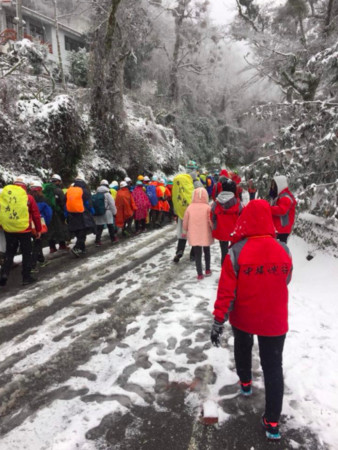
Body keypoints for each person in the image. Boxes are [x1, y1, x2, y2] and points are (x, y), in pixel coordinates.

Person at [210, 200, 293, 441]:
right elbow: (286, 279)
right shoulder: (283, 250)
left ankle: (245, 382)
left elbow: (226, 291)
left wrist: (218, 320)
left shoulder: (235, 252)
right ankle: (273, 421)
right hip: (274, 320)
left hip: (244, 317)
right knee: (273, 366)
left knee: (243, 346)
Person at [0, 177, 42, 286]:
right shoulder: (28, 198)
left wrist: (2, 225)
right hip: (24, 230)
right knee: (26, 252)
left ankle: (4, 274)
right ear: (24, 187)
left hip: (9, 229)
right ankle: (26, 277)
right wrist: (38, 229)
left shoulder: (4, 197)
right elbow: (36, 215)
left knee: (10, 252)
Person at [182, 187, 213, 280]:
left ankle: (199, 273)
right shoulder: (208, 207)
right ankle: (207, 269)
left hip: (194, 234)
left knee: (197, 253)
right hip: (206, 233)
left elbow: (185, 221)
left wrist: (184, 231)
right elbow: (210, 221)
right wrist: (213, 229)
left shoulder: (190, 207)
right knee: (207, 251)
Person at [210, 178, 242, 266]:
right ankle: (233, 267)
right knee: (234, 250)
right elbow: (242, 216)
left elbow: (212, 215)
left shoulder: (216, 202)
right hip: (234, 231)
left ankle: (224, 268)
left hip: (221, 230)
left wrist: (215, 225)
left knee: (223, 251)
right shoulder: (237, 202)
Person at [66, 174, 96, 257]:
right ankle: (76, 248)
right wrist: (92, 211)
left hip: (72, 215)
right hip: (83, 215)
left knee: (78, 232)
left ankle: (82, 249)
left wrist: (66, 214)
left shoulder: (69, 191)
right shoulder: (85, 191)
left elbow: (66, 203)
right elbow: (88, 204)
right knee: (82, 233)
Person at [43, 174, 69, 253]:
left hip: (47, 212)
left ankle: (52, 247)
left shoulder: (44, 189)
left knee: (50, 230)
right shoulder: (57, 190)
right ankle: (62, 245)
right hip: (57, 212)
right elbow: (63, 202)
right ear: (57, 181)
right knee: (60, 228)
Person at [30, 181, 53, 270]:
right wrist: (47, 223)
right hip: (41, 222)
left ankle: (41, 260)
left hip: (30, 223)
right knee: (38, 243)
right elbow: (49, 213)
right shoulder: (44, 199)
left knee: (36, 242)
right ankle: (32, 265)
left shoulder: (27, 199)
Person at [269, 175, 297, 243]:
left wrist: (268, 208)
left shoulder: (285, 197)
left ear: (279, 185)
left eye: (273, 185)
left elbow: (282, 210)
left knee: (280, 249)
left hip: (282, 229)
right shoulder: (280, 196)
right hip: (279, 228)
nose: (272, 188)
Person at [93, 179, 117, 246]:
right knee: (110, 226)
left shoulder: (96, 194)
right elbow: (112, 204)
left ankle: (97, 241)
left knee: (99, 228)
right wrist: (114, 213)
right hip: (107, 212)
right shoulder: (107, 194)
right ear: (107, 185)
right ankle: (113, 239)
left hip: (99, 212)